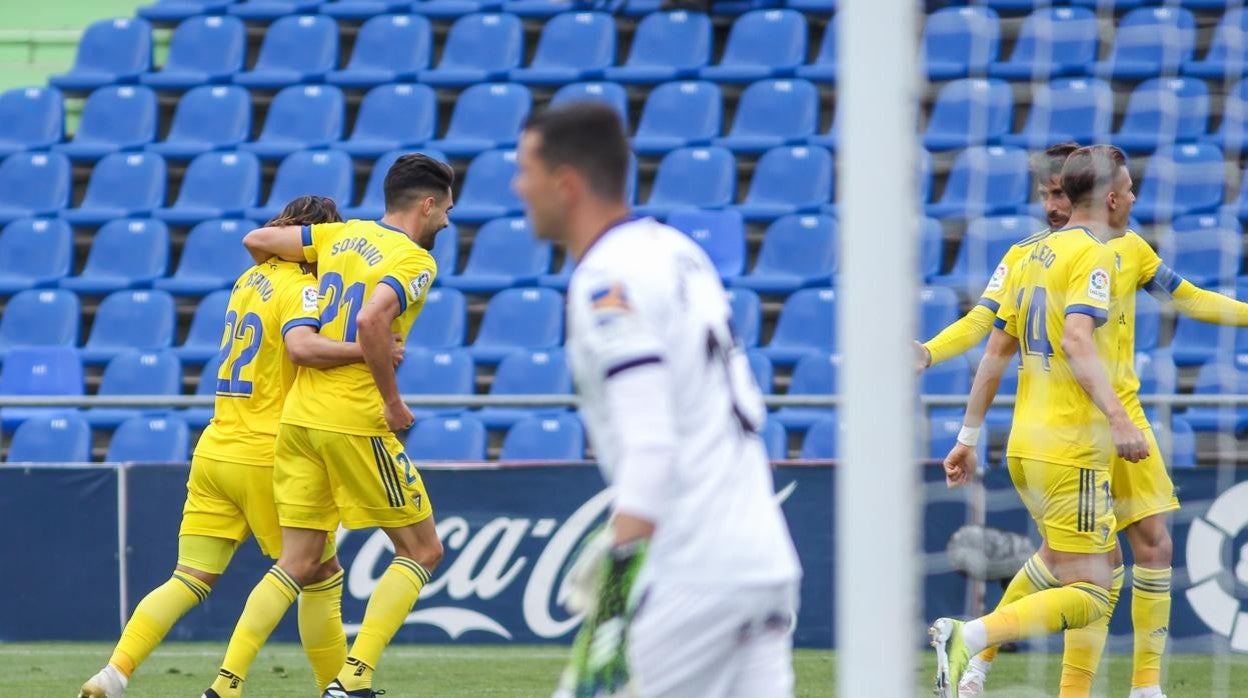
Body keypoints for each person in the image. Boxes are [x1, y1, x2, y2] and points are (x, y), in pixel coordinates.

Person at [925, 150, 1248, 698]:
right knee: (1085, 575)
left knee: (1144, 550)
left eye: (1059, 193)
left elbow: (1188, 297)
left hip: (1111, 421)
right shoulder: (1040, 252)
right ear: (1110, 196)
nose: (1051, 205)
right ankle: (977, 647)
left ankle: (1143, 686)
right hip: (1083, 429)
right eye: (1045, 195)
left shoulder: (1129, 250)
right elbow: (997, 330)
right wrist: (931, 357)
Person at [513, 101, 802, 697]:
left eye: (525, 170)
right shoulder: (677, 252)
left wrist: (614, 604)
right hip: (764, 560)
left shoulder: (606, 281)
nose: (517, 187)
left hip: (690, 570)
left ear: (565, 183)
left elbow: (651, 445)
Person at [80, 196, 398, 698]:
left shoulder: (249, 281)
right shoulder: (304, 289)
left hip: (215, 448)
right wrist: (370, 349)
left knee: (188, 578)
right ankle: (330, 688)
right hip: (268, 454)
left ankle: (114, 673)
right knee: (318, 572)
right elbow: (300, 347)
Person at [202, 154, 454, 698]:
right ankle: (353, 678)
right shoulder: (415, 261)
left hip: (297, 421)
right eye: (447, 211)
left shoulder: (340, 236)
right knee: (423, 550)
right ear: (427, 204)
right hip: (353, 420)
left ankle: (226, 684)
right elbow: (370, 319)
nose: (448, 224)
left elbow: (259, 241)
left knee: (298, 561)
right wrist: (392, 401)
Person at [930, 145, 1151, 698]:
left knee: (1085, 562)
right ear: (1110, 196)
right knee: (1095, 592)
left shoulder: (1031, 254)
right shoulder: (1093, 254)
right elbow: (1077, 338)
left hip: (1025, 445)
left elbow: (995, 350)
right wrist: (1120, 417)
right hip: (1071, 445)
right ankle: (971, 636)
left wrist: (967, 438)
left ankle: (988, 666)